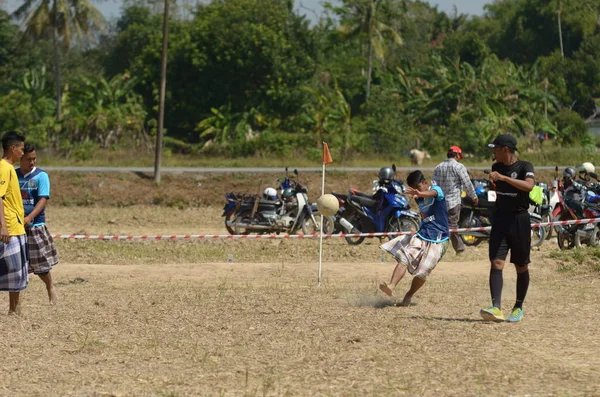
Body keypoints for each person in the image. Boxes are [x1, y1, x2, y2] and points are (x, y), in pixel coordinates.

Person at [480, 134, 534, 323]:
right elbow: (496, 190)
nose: (493, 152)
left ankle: (518, 307)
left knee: (521, 266)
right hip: (501, 219)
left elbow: (528, 186)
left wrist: (503, 178)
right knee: (496, 263)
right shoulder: (496, 167)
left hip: (520, 221)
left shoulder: (525, 167)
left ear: (505, 149)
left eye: (495, 148)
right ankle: (496, 307)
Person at [378, 170, 450, 306]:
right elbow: (426, 217)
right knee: (405, 257)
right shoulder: (418, 198)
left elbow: (432, 194)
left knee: (423, 272)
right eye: (413, 189)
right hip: (422, 235)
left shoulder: (436, 190)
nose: (415, 192)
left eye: (418, 187)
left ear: (425, 183)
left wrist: (420, 193)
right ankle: (391, 286)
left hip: (439, 239)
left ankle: (409, 295)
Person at [17, 143, 59, 305]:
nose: (32, 162)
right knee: (17, 265)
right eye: (28, 159)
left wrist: (29, 218)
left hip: (35, 226)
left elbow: (43, 199)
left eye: (34, 159)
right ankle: (16, 300)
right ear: (20, 158)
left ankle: (50, 287)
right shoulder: (13, 175)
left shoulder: (41, 176)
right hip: (16, 226)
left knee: (41, 265)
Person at [0, 131, 28, 314]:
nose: (23, 153)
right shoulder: (4, 167)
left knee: (16, 272)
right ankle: (14, 309)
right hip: (9, 226)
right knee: (10, 269)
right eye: (21, 149)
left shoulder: (10, 168)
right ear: (13, 148)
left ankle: (14, 309)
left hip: (17, 226)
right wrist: (3, 226)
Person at [432, 146, 478, 254]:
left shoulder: (438, 167)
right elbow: (467, 184)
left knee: (442, 225)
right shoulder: (459, 167)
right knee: (452, 226)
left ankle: (439, 247)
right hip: (453, 202)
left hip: (440, 202)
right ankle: (458, 249)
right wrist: (474, 197)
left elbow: (433, 185)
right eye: (459, 156)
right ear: (457, 155)